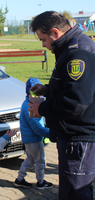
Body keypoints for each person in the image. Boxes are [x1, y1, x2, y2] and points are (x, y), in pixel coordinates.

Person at [28, 11, 95, 200]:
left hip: (79, 138)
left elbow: (75, 104)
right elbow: (76, 88)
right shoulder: (71, 47)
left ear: (55, 33)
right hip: (74, 136)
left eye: (43, 39)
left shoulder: (78, 54)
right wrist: (48, 90)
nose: (43, 45)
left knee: (76, 192)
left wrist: (40, 108)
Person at [14, 77, 52, 189]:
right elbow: (37, 128)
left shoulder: (28, 103)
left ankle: (20, 179)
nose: (39, 96)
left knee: (29, 160)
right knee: (40, 161)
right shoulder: (29, 107)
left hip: (28, 139)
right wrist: (50, 133)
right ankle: (40, 182)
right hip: (34, 139)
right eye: (36, 93)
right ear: (30, 93)